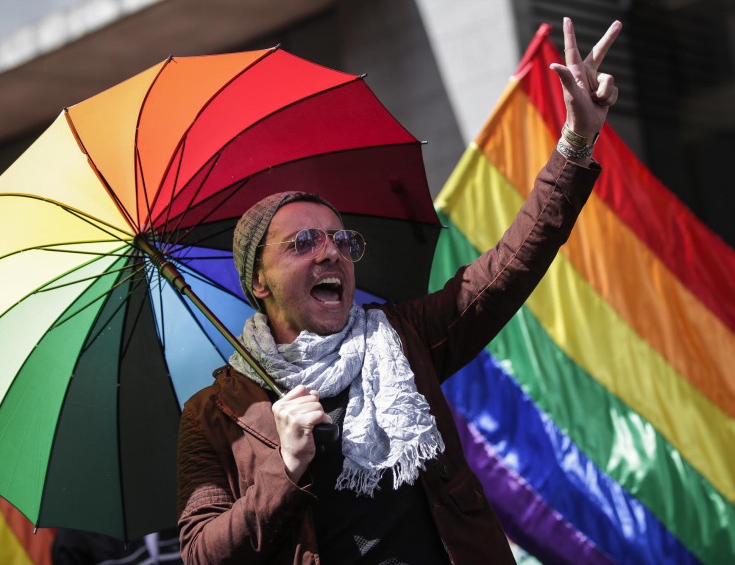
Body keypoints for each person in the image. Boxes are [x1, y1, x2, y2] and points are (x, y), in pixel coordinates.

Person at [176, 17, 621, 564]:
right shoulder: (215, 414)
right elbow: (201, 555)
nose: (329, 251)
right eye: (303, 243)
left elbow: (510, 267)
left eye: (339, 238)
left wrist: (575, 143)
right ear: (257, 283)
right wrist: (283, 469)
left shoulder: (404, 336)